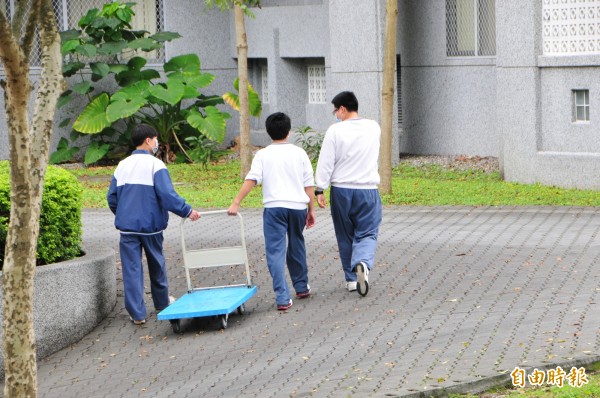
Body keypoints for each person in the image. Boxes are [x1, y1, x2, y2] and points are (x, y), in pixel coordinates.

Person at [107, 124, 201, 325]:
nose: (157, 143)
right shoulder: (156, 165)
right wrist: (187, 210)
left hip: (127, 228)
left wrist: (123, 214)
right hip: (151, 227)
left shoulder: (122, 165)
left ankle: (137, 314)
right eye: (156, 139)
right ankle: (161, 303)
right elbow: (167, 195)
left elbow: (112, 197)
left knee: (131, 269)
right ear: (148, 141)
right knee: (156, 264)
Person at [228, 112, 316, 311]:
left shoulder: (263, 154)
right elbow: (308, 184)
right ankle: (301, 287)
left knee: (275, 252)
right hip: (297, 208)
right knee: (297, 245)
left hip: (274, 208)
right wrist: (311, 210)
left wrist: (236, 202)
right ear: (289, 131)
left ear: (268, 132)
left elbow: (252, 179)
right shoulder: (299, 153)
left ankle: (282, 297)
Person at [315, 91, 382, 297]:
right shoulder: (374, 127)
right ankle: (362, 262)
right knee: (368, 232)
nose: (335, 114)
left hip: (341, 190)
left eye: (336, 110)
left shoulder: (335, 131)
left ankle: (352, 280)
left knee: (345, 236)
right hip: (368, 189)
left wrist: (320, 188)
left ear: (342, 109)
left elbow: (326, 161)